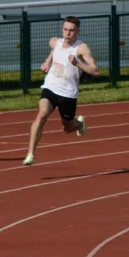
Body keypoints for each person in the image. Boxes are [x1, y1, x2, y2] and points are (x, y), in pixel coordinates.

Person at [23, 16, 98, 166]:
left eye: (71, 30)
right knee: (42, 115)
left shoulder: (81, 48)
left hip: (68, 94)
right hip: (51, 86)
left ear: (78, 32)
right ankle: (30, 153)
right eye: (65, 30)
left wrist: (77, 63)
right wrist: (47, 61)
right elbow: (55, 48)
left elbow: (95, 71)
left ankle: (79, 124)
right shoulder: (55, 42)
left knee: (67, 128)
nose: (68, 33)